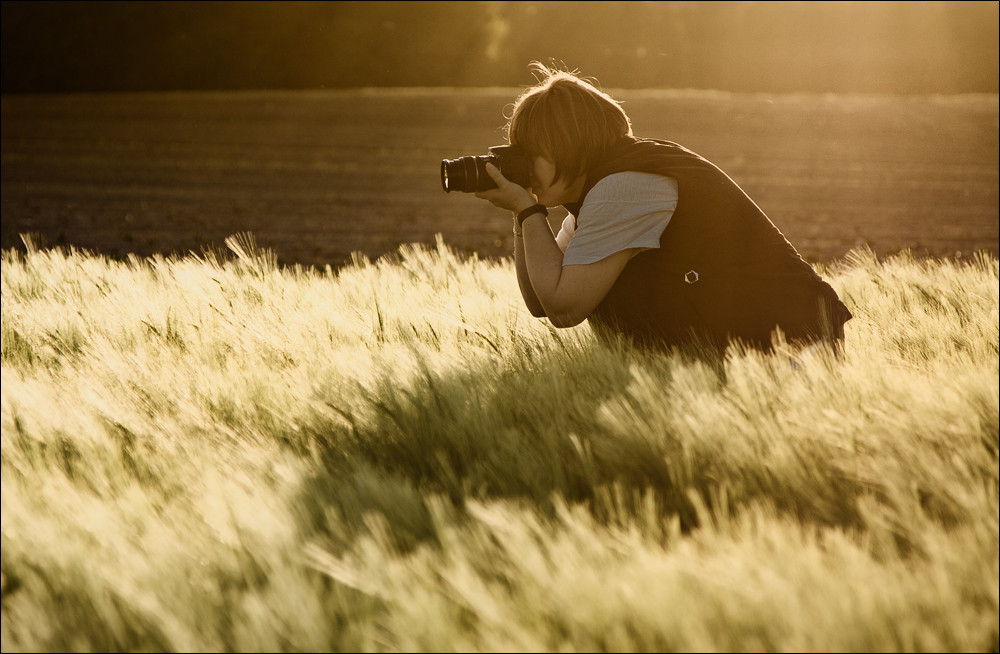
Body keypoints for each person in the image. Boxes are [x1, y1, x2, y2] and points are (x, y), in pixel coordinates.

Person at [475, 62, 852, 355]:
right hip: (761, 345)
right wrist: (521, 210)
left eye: (531, 155)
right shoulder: (600, 192)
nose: (524, 166)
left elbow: (564, 307)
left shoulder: (624, 188)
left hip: (792, 346)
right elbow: (542, 302)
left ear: (567, 147)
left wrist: (527, 210)